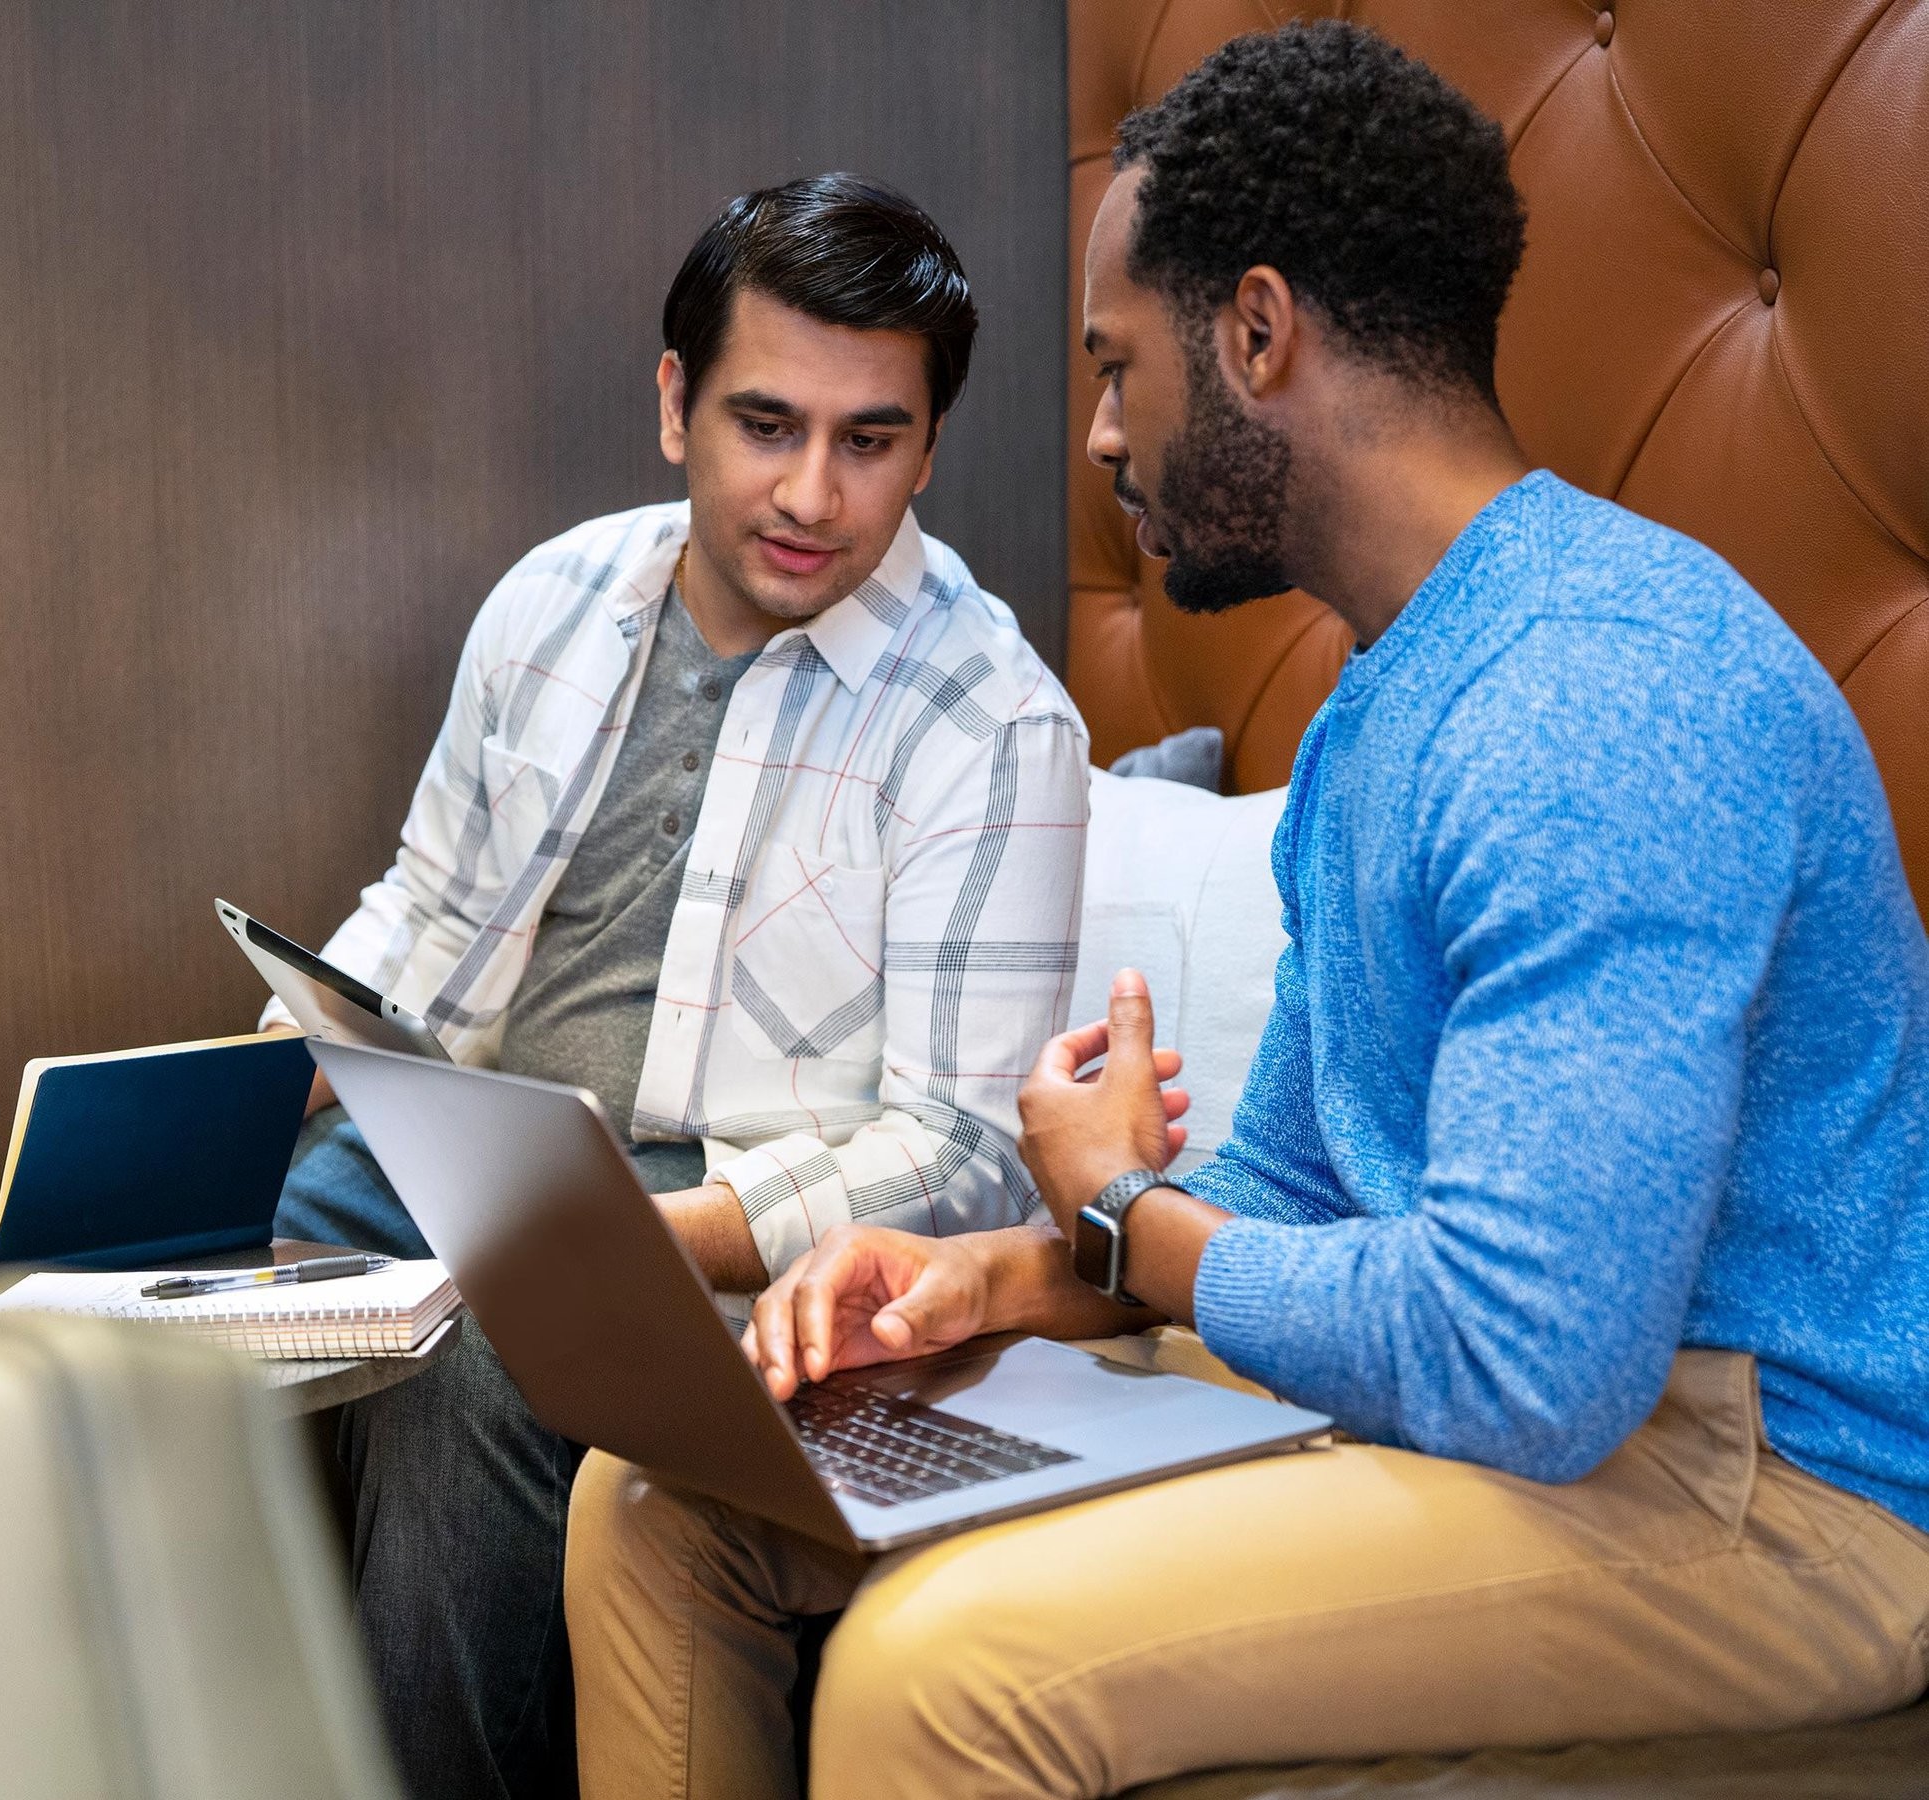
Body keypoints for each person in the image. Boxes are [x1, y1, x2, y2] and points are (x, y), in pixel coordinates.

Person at [563, 23, 1929, 1799]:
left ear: (1258, 333)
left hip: (1767, 1487)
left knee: (941, 1672)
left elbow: (1524, 1363)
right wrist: (993, 1279)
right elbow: (1290, 1183)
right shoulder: (1389, 694)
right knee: (669, 1498)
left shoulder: (1599, 697)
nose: (1106, 437)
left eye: (1119, 370)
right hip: (1509, 1417)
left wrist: (1123, 1217)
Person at [261, 174, 1089, 1798]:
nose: (810, 492)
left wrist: (629, 1235)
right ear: (672, 405)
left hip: (730, 1205)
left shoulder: (994, 723)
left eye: (870, 440)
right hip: (477, 1139)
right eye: (763, 423)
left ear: (927, 449)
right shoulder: (555, 600)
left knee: (489, 1353)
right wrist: (231, 1088)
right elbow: (422, 907)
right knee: (182, 1272)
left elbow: (961, 1150)